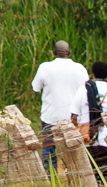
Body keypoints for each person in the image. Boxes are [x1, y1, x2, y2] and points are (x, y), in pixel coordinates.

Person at [30, 41, 89, 174]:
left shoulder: (45, 67)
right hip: (73, 118)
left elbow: (35, 88)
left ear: (54, 52)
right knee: (74, 150)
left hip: (50, 116)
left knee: (48, 149)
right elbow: (86, 92)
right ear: (69, 52)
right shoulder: (80, 69)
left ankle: (50, 179)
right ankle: (75, 177)